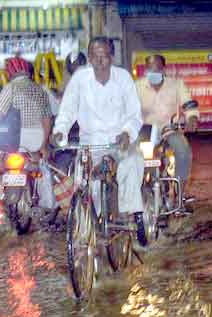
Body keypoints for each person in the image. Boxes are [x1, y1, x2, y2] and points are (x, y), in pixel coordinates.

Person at [52, 37, 147, 244]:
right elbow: (67, 110)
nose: (99, 60)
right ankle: (87, 224)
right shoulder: (80, 79)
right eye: (94, 55)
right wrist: (60, 131)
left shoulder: (123, 78)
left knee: (132, 161)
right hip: (91, 142)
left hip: (119, 140)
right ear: (90, 57)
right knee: (85, 181)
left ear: (111, 57)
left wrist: (127, 133)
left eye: (103, 55)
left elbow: (134, 114)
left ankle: (130, 212)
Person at [0, 56, 53, 198]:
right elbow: (47, 120)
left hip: (13, 140)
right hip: (36, 141)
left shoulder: (11, 87)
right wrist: (44, 145)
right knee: (39, 163)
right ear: (27, 72)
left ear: (10, 73)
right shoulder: (41, 91)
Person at [135, 54, 198, 183]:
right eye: (150, 70)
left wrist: (192, 118)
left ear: (164, 70)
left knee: (183, 153)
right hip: (145, 131)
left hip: (169, 129)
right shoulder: (137, 86)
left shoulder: (176, 84)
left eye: (157, 70)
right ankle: (140, 189)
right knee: (135, 157)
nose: (153, 73)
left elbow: (188, 103)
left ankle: (180, 190)